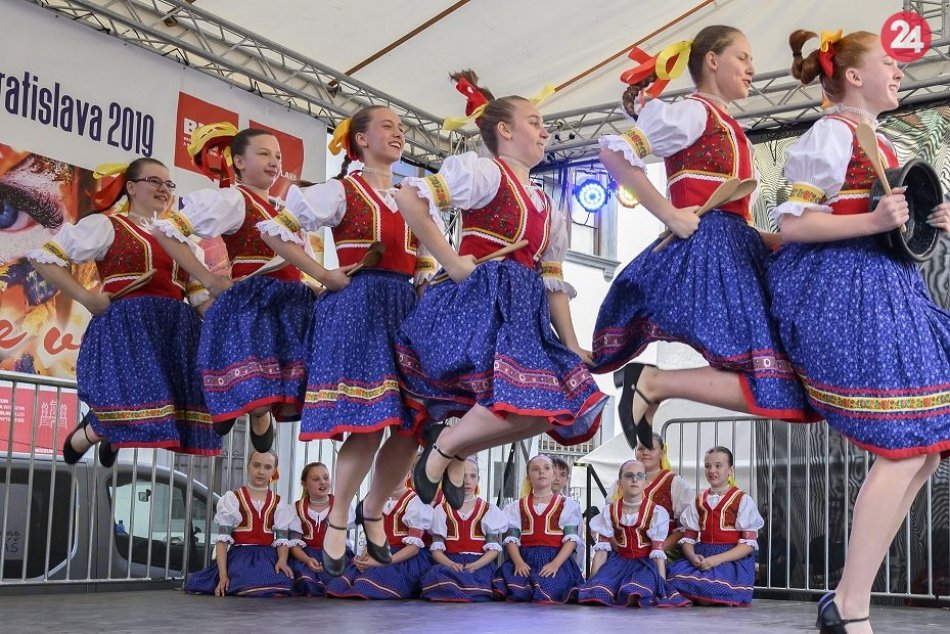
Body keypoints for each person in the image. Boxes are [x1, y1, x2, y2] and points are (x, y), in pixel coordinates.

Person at [767, 28, 950, 633]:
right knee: (902, 450)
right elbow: (793, 224)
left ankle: (845, 597)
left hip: (888, 289)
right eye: (889, 62)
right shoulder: (830, 132)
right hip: (845, 295)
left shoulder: (884, 139)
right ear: (852, 75)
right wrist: (874, 218)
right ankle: (851, 609)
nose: (899, 71)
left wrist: (930, 221)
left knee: (922, 455)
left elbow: (894, 227)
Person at [593, 25, 814, 450]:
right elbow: (614, 153)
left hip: (735, 247)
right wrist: (670, 214)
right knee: (768, 378)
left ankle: (653, 383)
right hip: (708, 251)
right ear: (712, 60)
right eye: (743, 58)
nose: (753, 68)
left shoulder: (730, 125)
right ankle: (653, 384)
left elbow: (734, 212)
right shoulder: (694, 113)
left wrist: (774, 239)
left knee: (778, 383)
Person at [394, 70, 607, 508]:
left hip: (524, 310)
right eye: (534, 121)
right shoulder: (486, 174)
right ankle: (444, 450)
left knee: (541, 414)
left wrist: (571, 344)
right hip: (483, 300)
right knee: (519, 402)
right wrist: (452, 262)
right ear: (505, 131)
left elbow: (553, 279)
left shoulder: (549, 205)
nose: (545, 129)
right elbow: (410, 199)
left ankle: (450, 447)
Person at [258, 106, 433, 575]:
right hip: (358, 307)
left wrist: (429, 288)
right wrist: (323, 274)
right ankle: (339, 517)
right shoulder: (340, 191)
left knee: (414, 423)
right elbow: (277, 230)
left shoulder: (411, 195)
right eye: (388, 126)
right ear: (359, 139)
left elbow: (421, 261)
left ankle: (373, 510)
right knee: (372, 420)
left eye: (402, 127)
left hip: (404, 310)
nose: (399, 133)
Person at [27, 159, 217, 466]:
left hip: (173, 332)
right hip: (127, 327)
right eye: (154, 181)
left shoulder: (186, 245)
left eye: (169, 184)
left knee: (160, 401)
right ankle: (91, 432)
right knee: (132, 394)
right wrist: (87, 298)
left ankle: (109, 433)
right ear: (131, 187)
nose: (163, 189)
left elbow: (200, 301)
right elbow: (43, 258)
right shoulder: (108, 226)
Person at [153, 125, 318, 452]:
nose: (274, 162)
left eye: (277, 156)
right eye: (264, 154)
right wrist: (209, 278)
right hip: (254, 304)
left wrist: (320, 285)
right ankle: (253, 411)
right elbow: (168, 231)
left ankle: (258, 411)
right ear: (239, 162)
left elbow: (304, 262)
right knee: (256, 379)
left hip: (290, 306)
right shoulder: (234, 200)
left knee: (281, 381)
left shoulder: (287, 211)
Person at [575, 459, 689, 607]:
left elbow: (658, 553)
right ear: (620, 483)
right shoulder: (610, 511)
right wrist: (591, 582)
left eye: (639, 476)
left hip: (644, 565)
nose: (634, 480)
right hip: (617, 564)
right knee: (598, 590)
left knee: (636, 591)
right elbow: (601, 552)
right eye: (629, 476)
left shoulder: (655, 512)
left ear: (645, 483)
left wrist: (662, 586)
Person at [184, 451, 296, 597]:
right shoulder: (233, 499)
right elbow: (222, 541)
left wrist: (282, 560)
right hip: (241, 557)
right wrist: (223, 575)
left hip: (268, 557)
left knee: (282, 582)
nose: (261, 471)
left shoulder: (278, 502)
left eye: (267, 467)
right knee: (248, 580)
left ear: (274, 471)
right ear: (248, 466)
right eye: (256, 465)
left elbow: (282, 537)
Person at [667, 446, 763, 607]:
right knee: (672, 577)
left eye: (718, 465)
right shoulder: (698, 501)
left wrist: (716, 560)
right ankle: (700, 595)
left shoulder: (742, 500)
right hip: (702, 556)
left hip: (730, 560)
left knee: (712, 588)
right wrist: (693, 557)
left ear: (730, 469)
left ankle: (704, 596)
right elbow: (688, 539)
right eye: (707, 466)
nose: (712, 470)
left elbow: (747, 545)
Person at [326, 472, 433, 600]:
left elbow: (413, 549)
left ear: (408, 474)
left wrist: (381, 562)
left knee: (369, 580)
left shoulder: (415, 502)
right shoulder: (376, 500)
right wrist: (366, 552)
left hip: (404, 558)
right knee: (342, 582)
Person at [492, 455, 583, 603]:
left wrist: (555, 564)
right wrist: (518, 562)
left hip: (554, 559)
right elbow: (512, 538)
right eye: (536, 469)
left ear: (553, 475)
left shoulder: (566, 505)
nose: (541, 472)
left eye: (547, 468)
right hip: (526, 559)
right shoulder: (517, 506)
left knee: (549, 587)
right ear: (528, 477)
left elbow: (571, 539)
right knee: (513, 584)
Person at [420, 457, 506, 602]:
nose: (467, 481)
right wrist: (450, 564)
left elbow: (493, 550)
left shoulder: (488, 510)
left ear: (478, 479)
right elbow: (436, 550)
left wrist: (476, 565)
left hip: (479, 563)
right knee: (440, 577)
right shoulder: (442, 510)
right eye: (462, 475)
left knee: (477, 581)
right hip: (451, 562)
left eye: (472, 476)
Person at [287, 462, 356, 597]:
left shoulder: (342, 506)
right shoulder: (295, 509)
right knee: (304, 579)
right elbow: (294, 544)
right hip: (306, 555)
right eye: (316, 479)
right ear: (304, 484)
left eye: (326, 478)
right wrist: (307, 560)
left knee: (340, 578)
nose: (322, 482)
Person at [638, 432, 694, 552]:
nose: (645, 452)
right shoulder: (622, 483)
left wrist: (657, 550)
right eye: (641, 448)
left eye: (651, 448)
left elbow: (686, 529)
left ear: (662, 453)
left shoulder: (675, 483)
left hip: (664, 552)